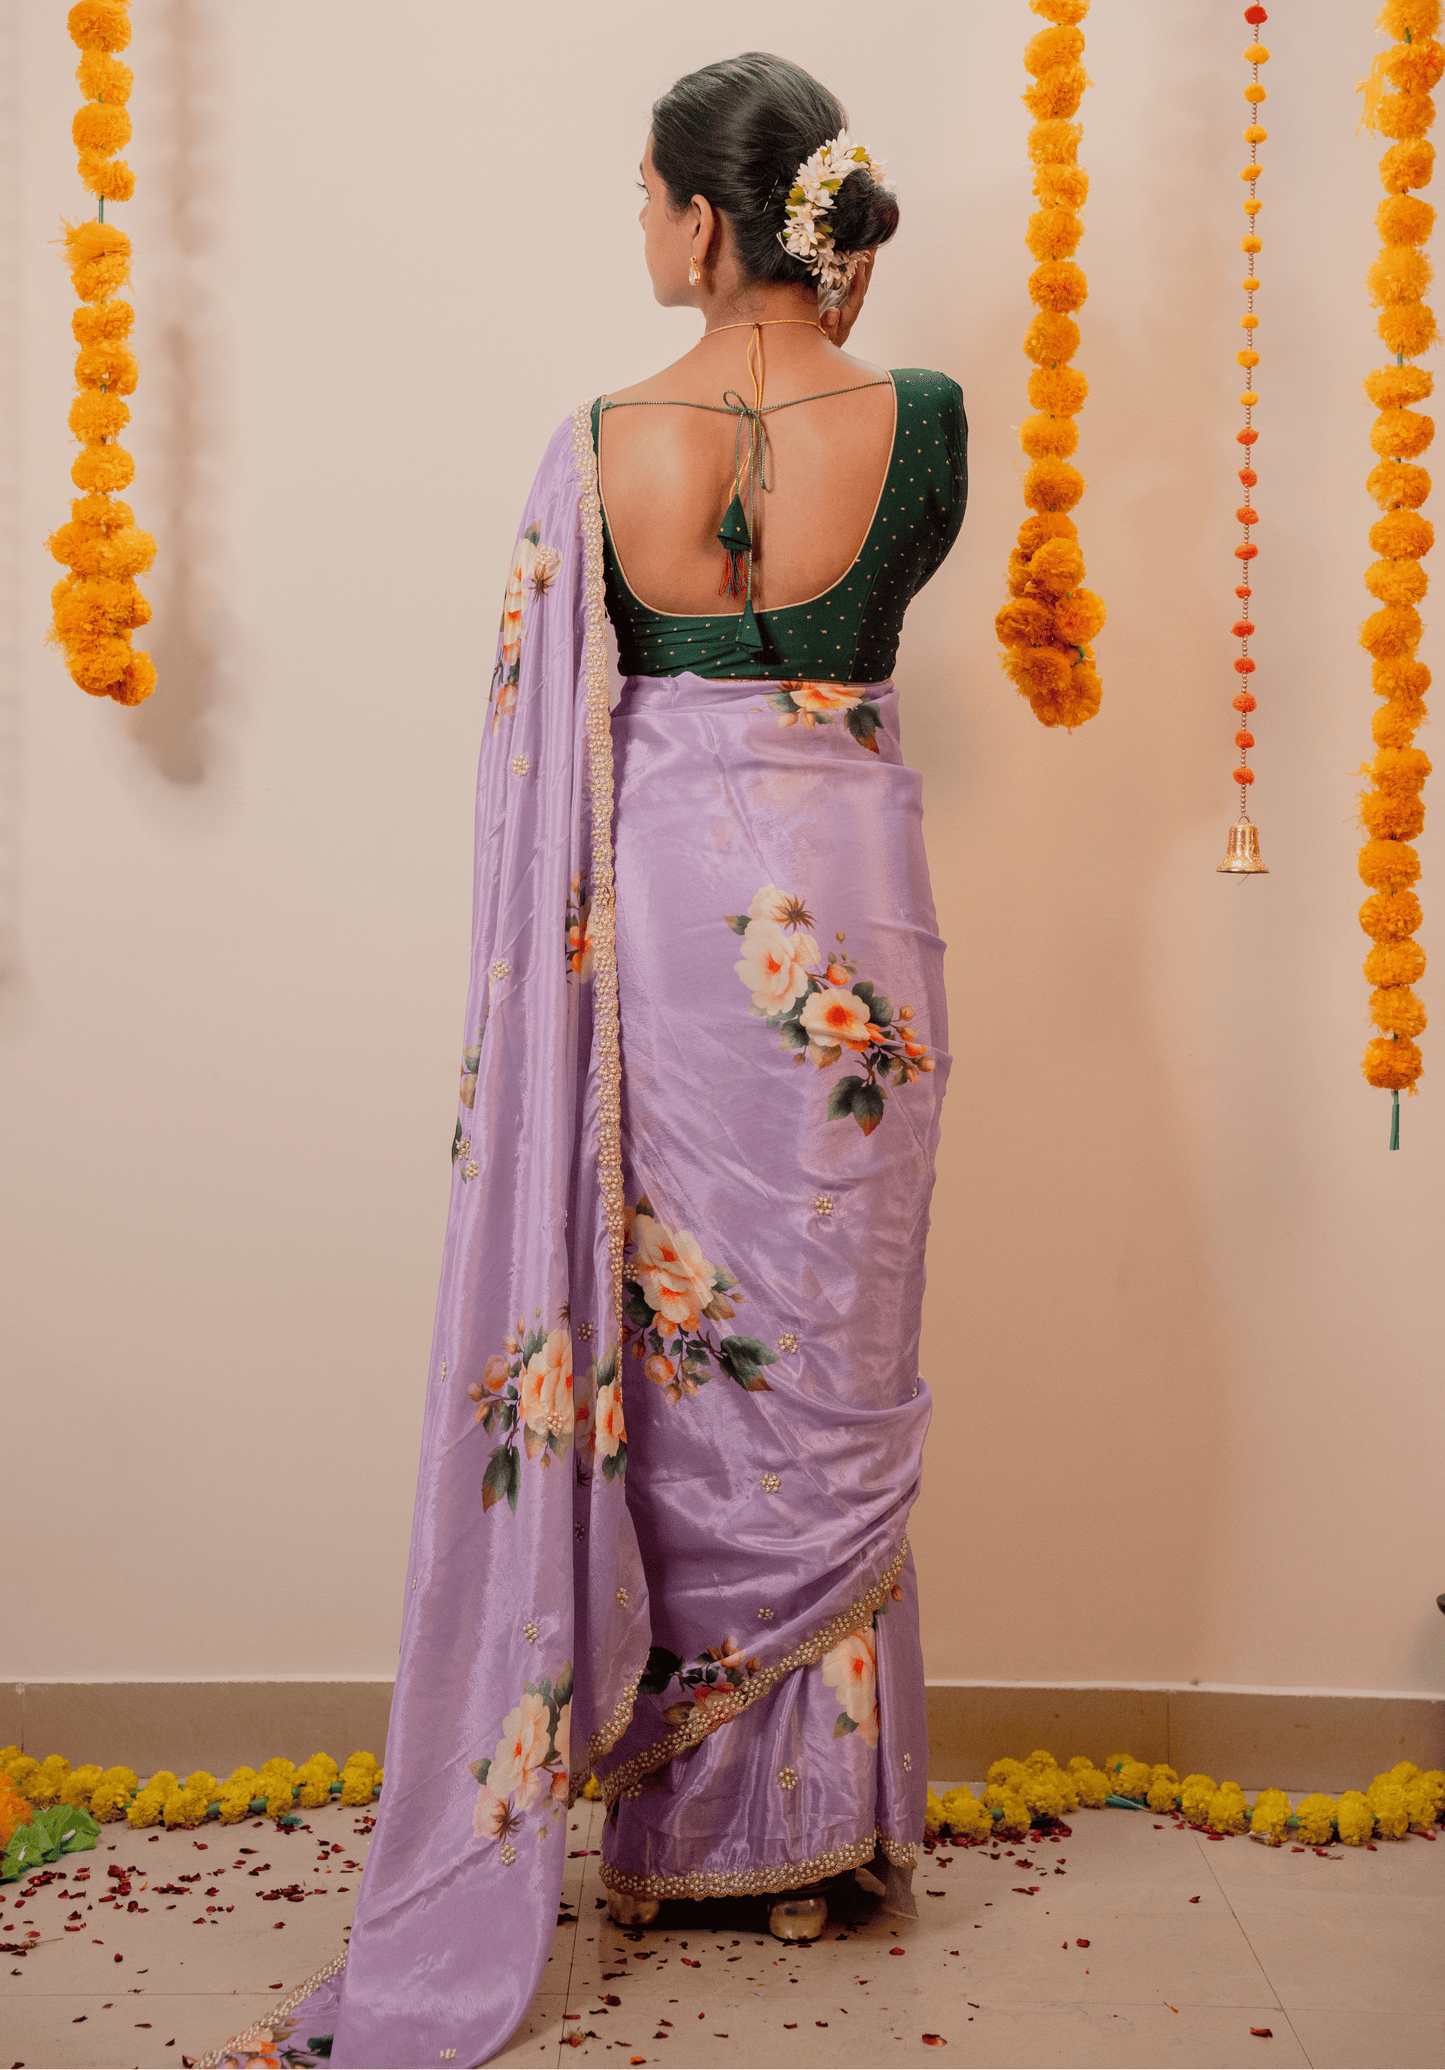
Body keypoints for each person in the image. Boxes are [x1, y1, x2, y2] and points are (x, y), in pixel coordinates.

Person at [203, 50, 965, 2070]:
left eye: (643, 203)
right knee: (828, 1350)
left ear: (705, 221)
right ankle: (819, 1833)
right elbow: (881, 603)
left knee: (683, 1341)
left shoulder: (595, 441)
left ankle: (677, 1822)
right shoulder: (927, 427)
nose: (633, 235)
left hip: (659, 925)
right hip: (853, 932)